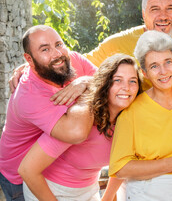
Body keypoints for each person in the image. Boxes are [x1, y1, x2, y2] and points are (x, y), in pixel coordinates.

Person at [8, 0, 172, 95]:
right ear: (143, 14)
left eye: (170, 8)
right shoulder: (121, 42)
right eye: (154, 9)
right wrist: (31, 68)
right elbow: (78, 62)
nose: (163, 16)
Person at [18, 54, 142, 201]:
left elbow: (120, 165)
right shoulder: (82, 119)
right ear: (105, 83)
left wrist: (108, 198)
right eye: (117, 80)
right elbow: (27, 170)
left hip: (88, 190)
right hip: (50, 190)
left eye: (132, 81)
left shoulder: (130, 121)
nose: (126, 88)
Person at [0, 25, 97, 201]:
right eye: (45, 49)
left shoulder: (72, 59)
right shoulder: (28, 94)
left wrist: (86, 81)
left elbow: (109, 82)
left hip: (53, 167)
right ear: (29, 59)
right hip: (19, 177)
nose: (57, 54)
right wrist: (89, 90)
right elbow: (76, 132)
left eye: (59, 44)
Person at [108, 30, 172, 201]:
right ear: (144, 73)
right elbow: (120, 168)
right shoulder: (131, 111)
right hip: (147, 193)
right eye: (154, 66)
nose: (163, 71)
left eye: (168, 62)